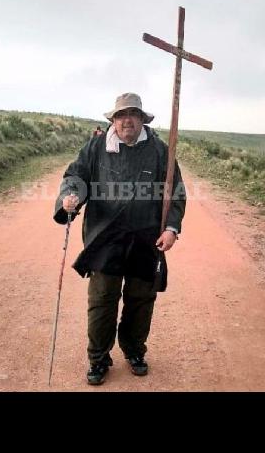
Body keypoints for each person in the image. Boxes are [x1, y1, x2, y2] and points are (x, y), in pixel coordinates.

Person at [53, 92, 186, 385]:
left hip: (146, 238)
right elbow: (76, 176)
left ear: (142, 119)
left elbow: (175, 190)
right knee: (102, 300)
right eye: (121, 115)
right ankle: (99, 358)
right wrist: (70, 196)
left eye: (133, 115)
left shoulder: (161, 151)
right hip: (105, 238)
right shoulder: (96, 147)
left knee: (141, 300)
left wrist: (171, 228)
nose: (127, 121)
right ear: (114, 120)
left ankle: (134, 350)